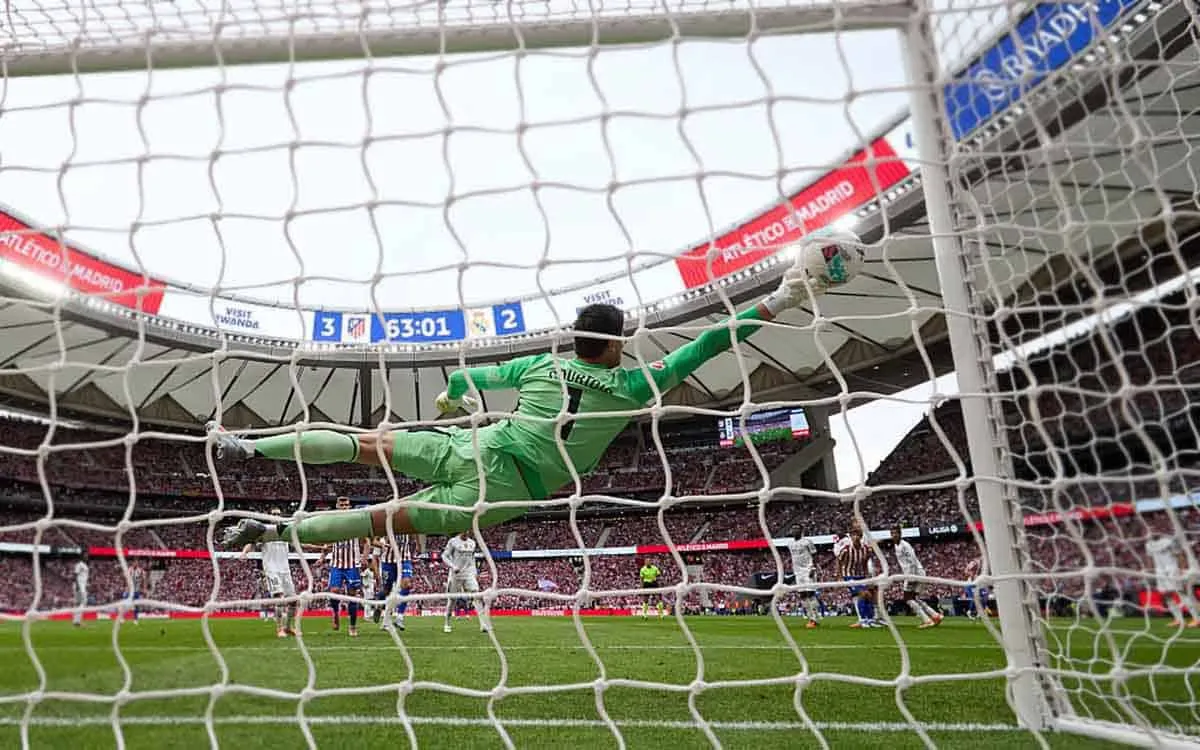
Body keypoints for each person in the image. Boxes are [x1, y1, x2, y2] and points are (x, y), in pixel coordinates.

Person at [215, 249, 843, 550]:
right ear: (618, 343)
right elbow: (710, 341)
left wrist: (453, 400)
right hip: (503, 493)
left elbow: (466, 382)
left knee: (366, 445)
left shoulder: (539, 365)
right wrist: (781, 298)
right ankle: (276, 529)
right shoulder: (633, 385)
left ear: (575, 340)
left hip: (476, 443)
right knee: (386, 519)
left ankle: (249, 445)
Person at [243, 507, 300, 638]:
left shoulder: (286, 531)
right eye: (274, 514)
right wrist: (245, 553)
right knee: (279, 599)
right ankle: (279, 629)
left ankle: (288, 627)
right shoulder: (263, 531)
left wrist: (320, 547)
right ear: (269, 516)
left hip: (285, 570)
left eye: (278, 514)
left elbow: (299, 544)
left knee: (293, 602)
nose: (276, 516)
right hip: (271, 569)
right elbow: (251, 543)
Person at [320, 497, 369, 637]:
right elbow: (328, 543)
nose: (344, 506)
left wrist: (364, 559)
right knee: (334, 590)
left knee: (352, 595)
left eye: (346, 504)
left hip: (352, 565)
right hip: (336, 564)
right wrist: (322, 557)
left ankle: (352, 626)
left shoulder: (355, 523)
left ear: (349, 506)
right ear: (337, 506)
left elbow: (366, 542)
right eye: (341, 504)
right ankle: (335, 612)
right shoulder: (332, 523)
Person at [889, 527, 941, 629]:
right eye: (892, 533)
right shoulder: (896, 546)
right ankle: (935, 615)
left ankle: (927, 620)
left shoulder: (905, 546)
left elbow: (912, 561)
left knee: (907, 598)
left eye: (895, 533)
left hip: (914, 573)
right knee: (915, 598)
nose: (894, 535)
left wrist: (911, 578)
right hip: (913, 573)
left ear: (900, 534)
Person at [441, 531, 488, 634]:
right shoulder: (453, 542)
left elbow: (472, 559)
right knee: (452, 600)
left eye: (468, 530)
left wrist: (474, 572)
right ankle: (447, 623)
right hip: (455, 575)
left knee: (477, 595)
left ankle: (483, 624)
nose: (467, 532)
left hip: (468, 574)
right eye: (465, 530)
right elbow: (444, 556)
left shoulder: (472, 543)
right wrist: (453, 566)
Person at [1147, 535, 1198, 628]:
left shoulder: (1169, 541)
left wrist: (1182, 570)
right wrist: (1150, 572)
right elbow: (1150, 558)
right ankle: (1179, 620)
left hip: (1172, 569)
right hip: (1159, 572)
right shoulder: (1148, 544)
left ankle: (1197, 619)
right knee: (1166, 595)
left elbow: (1180, 555)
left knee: (1182, 592)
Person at [837, 526, 880, 628]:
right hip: (849, 575)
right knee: (863, 594)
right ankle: (863, 620)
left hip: (861, 575)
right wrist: (839, 575)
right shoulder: (847, 549)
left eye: (857, 535)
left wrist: (867, 575)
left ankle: (870, 619)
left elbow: (866, 561)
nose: (855, 537)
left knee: (869, 595)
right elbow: (839, 561)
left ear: (861, 537)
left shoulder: (865, 549)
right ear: (851, 537)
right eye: (853, 535)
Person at [375, 532, 416, 631]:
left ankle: (399, 617)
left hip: (404, 560)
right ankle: (379, 606)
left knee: (407, 585)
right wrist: (382, 544)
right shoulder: (386, 523)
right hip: (388, 563)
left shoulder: (407, 524)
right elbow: (374, 540)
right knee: (386, 591)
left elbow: (413, 539)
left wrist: (414, 548)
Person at [788, 533, 821, 628]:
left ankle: (814, 618)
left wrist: (813, 568)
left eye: (797, 529)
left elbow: (815, 555)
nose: (795, 530)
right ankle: (811, 617)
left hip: (808, 570)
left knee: (810, 593)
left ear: (801, 531)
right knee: (802, 595)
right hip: (798, 572)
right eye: (793, 529)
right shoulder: (790, 544)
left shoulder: (807, 542)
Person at [72, 552, 89, 627]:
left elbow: (83, 577)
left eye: (87, 556)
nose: (87, 557)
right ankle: (77, 621)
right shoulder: (79, 565)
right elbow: (75, 575)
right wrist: (78, 586)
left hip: (82, 586)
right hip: (79, 586)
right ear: (81, 557)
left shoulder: (85, 565)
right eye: (85, 556)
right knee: (83, 602)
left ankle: (76, 621)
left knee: (80, 604)